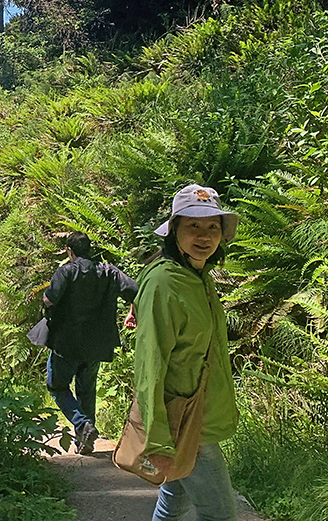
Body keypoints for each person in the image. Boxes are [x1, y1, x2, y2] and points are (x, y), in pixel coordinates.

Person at [133, 184, 240, 521]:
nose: (204, 236)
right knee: (219, 514)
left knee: (173, 505)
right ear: (174, 230)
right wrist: (159, 440)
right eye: (193, 225)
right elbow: (150, 364)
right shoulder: (164, 282)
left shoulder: (197, 275)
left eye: (212, 227)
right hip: (182, 423)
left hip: (198, 414)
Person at [42, 231, 138, 455]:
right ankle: (85, 441)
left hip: (67, 343)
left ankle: (82, 424)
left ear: (69, 250)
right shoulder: (108, 271)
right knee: (87, 389)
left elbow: (49, 299)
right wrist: (132, 312)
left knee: (57, 386)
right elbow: (134, 291)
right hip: (98, 344)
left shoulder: (66, 271)